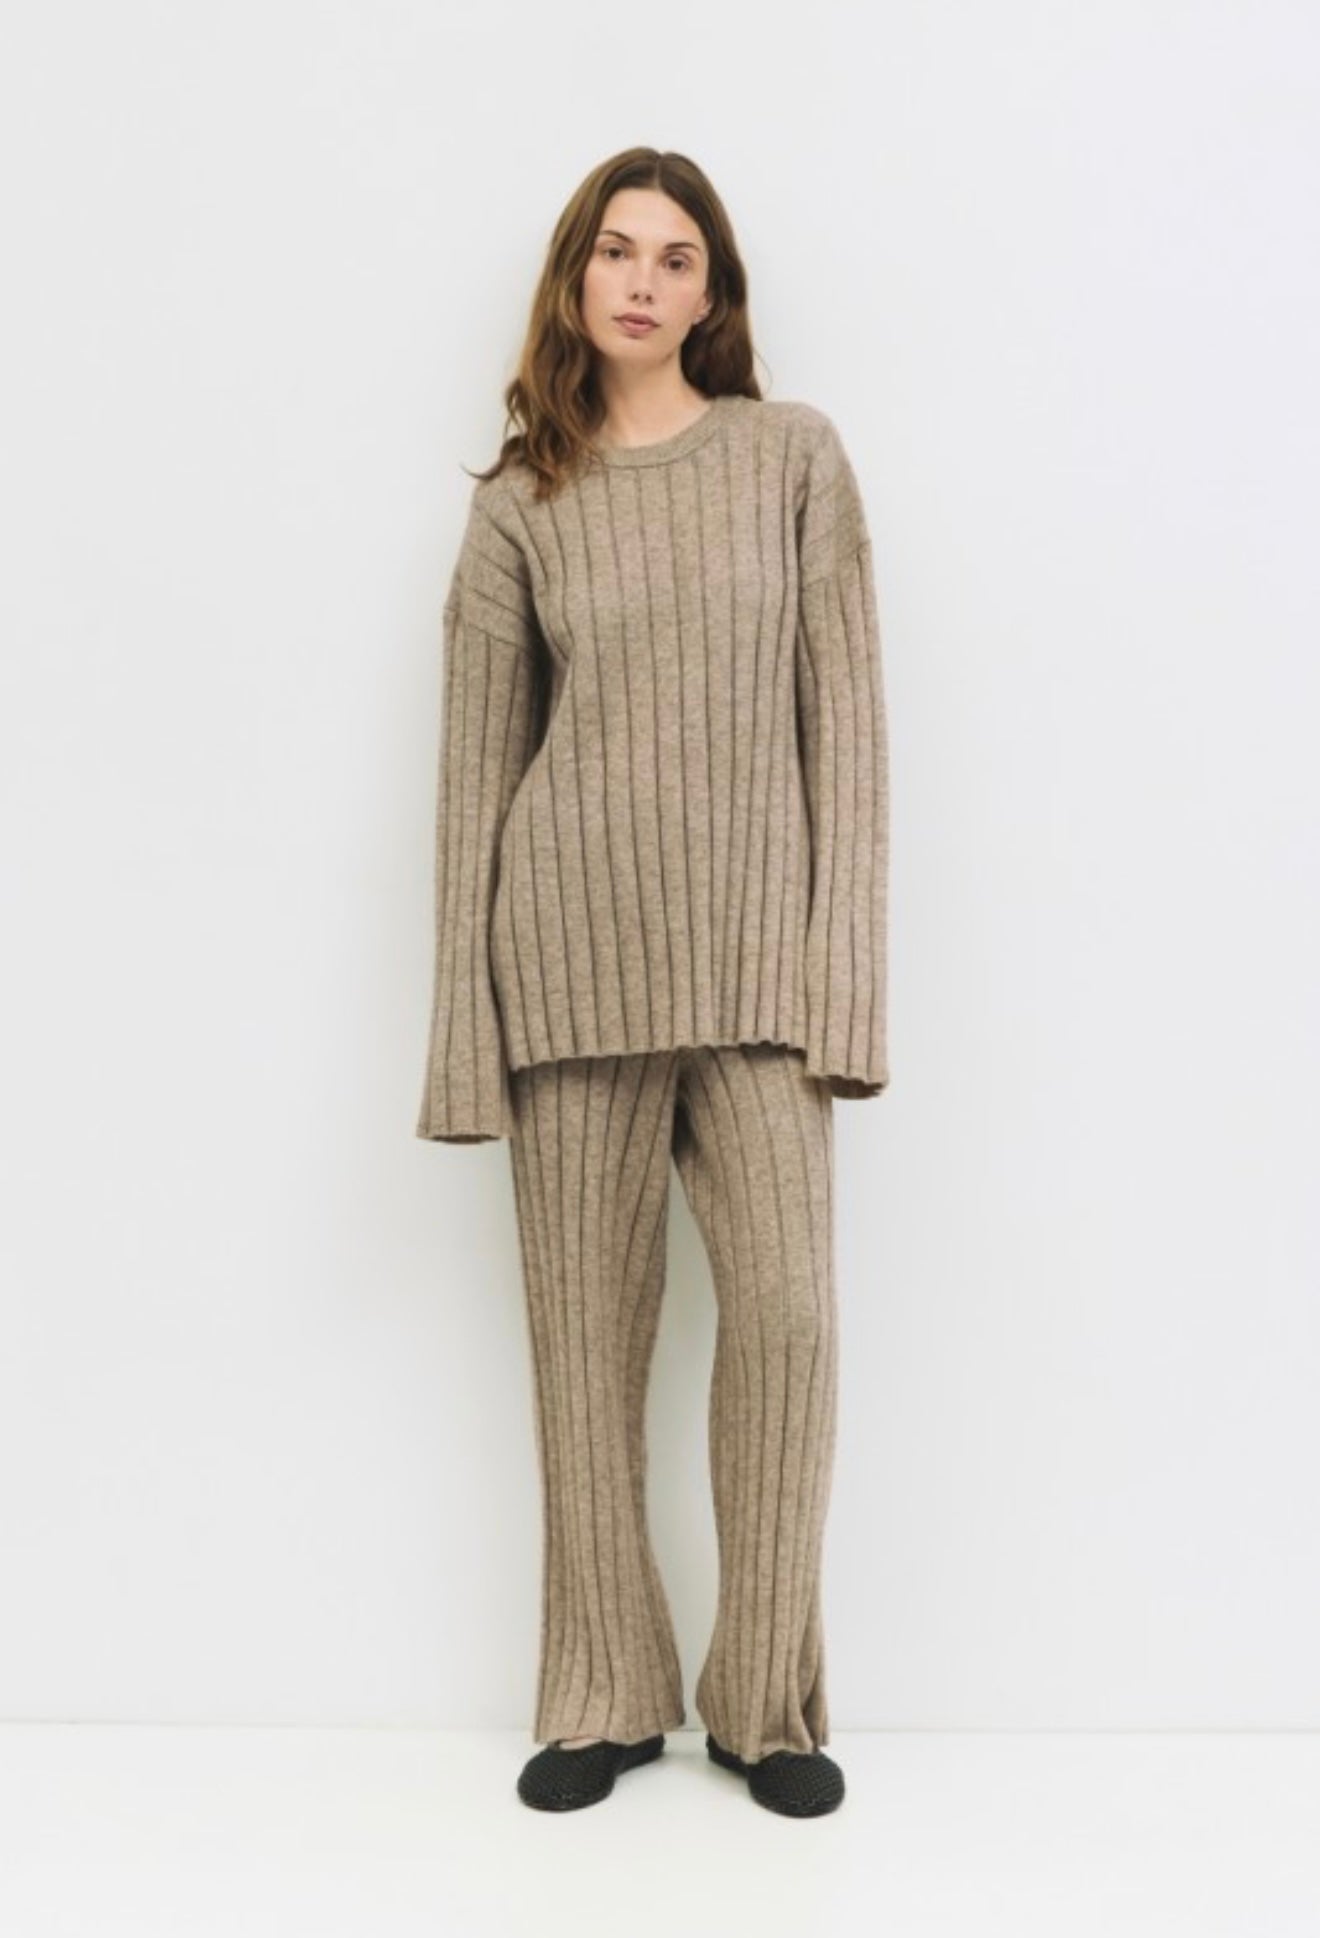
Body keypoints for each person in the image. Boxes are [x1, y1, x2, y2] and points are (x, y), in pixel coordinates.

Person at [415, 147, 890, 1818]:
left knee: (790, 1322)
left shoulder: (793, 458)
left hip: (758, 980)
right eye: (615, 252)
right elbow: (476, 782)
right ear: (574, 281)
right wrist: (463, 1047)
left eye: (676, 257)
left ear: (712, 294)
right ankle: (604, 1687)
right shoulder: (518, 502)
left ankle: (766, 1702)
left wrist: (846, 994)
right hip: (565, 973)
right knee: (583, 1350)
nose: (641, 280)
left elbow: (851, 743)